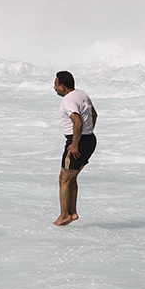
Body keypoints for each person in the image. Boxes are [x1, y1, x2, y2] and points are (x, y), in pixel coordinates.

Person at [52, 70, 97, 226]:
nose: (54, 87)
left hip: (77, 141)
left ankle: (64, 215)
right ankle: (72, 213)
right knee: (71, 178)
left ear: (63, 86)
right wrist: (88, 134)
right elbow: (94, 114)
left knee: (63, 179)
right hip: (90, 139)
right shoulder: (82, 94)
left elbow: (77, 122)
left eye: (56, 84)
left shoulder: (68, 100)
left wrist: (75, 144)